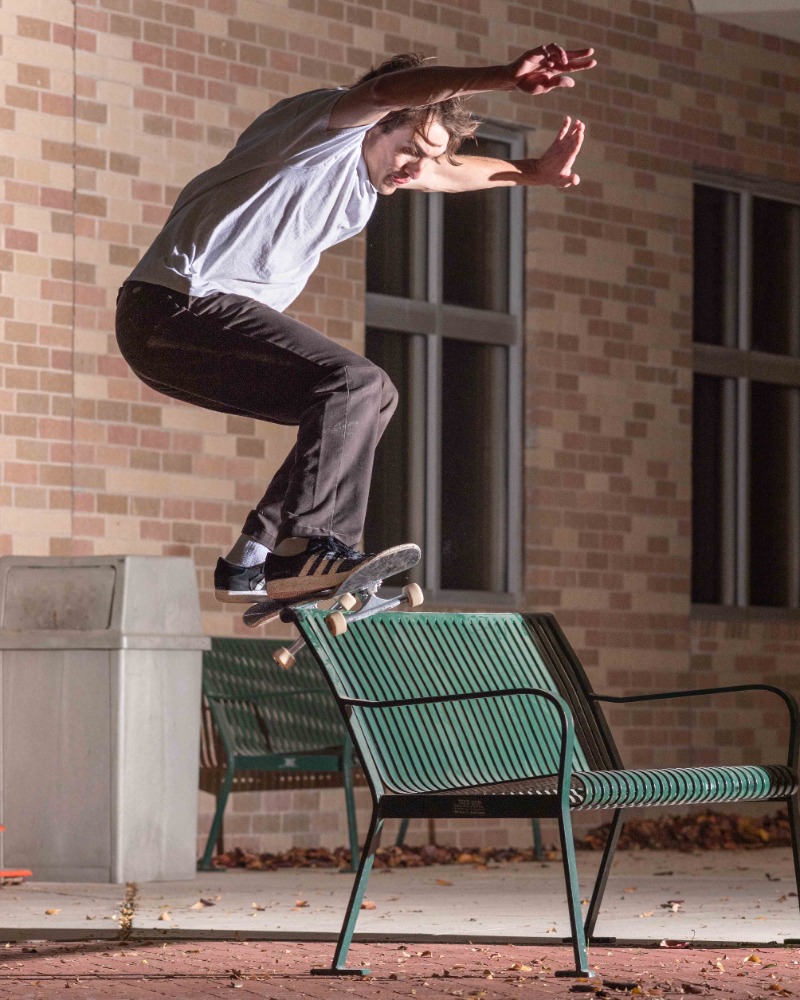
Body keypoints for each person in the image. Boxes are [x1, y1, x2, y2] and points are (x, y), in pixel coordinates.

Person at [115, 43, 596, 603]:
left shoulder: (379, 174)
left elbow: (450, 173)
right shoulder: (326, 127)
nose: (414, 169)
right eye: (410, 148)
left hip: (185, 333)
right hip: (174, 307)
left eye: (425, 159)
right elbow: (387, 91)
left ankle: (254, 558)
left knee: (366, 402)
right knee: (354, 383)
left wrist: (534, 172)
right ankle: (314, 548)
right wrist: (501, 77)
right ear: (378, 124)